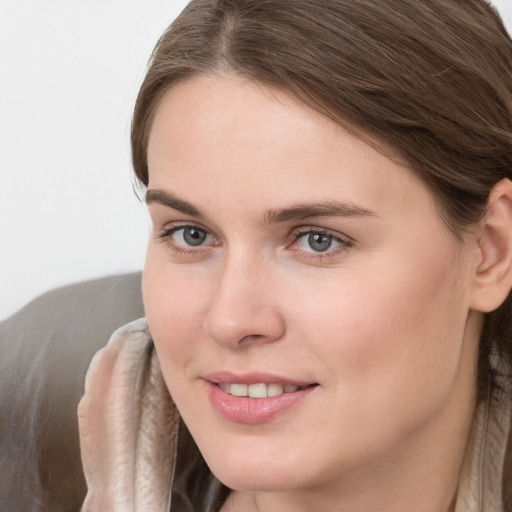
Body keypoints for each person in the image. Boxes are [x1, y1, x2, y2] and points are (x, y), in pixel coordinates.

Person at [35, 0, 512, 510]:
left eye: (317, 240)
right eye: (192, 235)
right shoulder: (27, 425)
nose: (230, 319)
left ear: (490, 251)